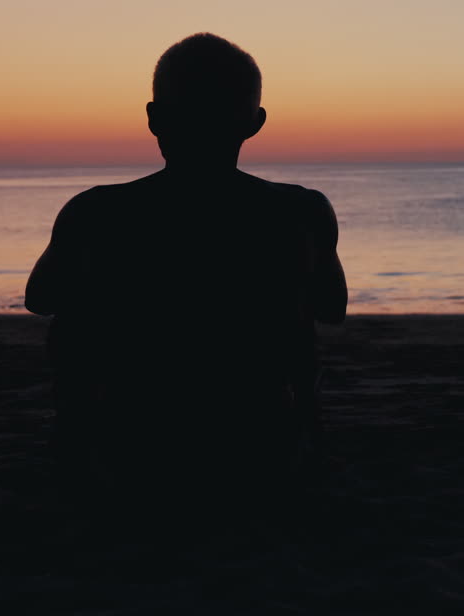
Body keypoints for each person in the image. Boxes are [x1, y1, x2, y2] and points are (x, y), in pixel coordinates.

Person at [25, 33, 347, 505]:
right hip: (262, 453)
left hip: (128, 456)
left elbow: (41, 299)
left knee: (73, 314)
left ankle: (84, 444)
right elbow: (331, 307)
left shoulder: (95, 212)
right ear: (254, 123)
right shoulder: (302, 211)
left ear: (154, 118)